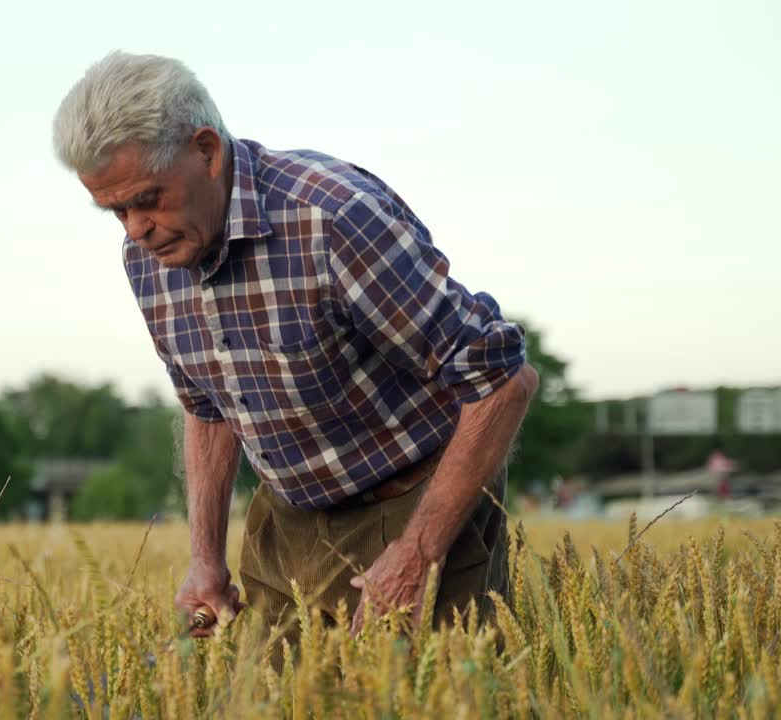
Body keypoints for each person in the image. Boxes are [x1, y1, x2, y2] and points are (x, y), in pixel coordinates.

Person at [52, 52, 539, 640]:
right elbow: (208, 407)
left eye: (148, 198)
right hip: (285, 523)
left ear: (206, 151)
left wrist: (419, 553)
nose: (134, 228)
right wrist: (206, 558)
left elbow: (503, 383)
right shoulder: (149, 258)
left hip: (414, 505)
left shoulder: (332, 217)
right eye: (115, 210)